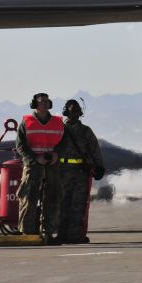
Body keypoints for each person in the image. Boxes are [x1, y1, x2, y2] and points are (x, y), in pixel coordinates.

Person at [15, 92, 65, 244]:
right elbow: (20, 145)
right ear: (35, 104)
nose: (44, 104)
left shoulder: (58, 122)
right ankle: (27, 234)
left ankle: (48, 233)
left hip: (52, 166)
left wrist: (57, 154)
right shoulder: (26, 122)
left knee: (52, 199)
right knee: (29, 198)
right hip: (33, 166)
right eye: (41, 101)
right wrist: (35, 158)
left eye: (46, 101)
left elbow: (64, 142)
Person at [56, 99, 105, 244]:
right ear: (66, 112)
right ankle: (60, 235)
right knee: (61, 205)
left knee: (78, 205)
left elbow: (95, 149)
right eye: (72, 110)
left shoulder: (86, 131)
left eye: (77, 111)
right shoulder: (58, 130)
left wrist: (99, 166)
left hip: (80, 173)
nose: (75, 113)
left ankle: (75, 236)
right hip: (61, 173)